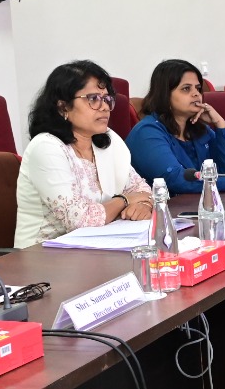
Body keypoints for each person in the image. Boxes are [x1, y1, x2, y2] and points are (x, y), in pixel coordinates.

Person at [15, 59, 152, 248]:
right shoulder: (46, 148)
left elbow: (144, 191)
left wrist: (143, 207)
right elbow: (80, 220)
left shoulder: (108, 142)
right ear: (63, 106)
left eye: (107, 99)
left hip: (97, 249)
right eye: (93, 99)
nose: (104, 107)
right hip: (43, 258)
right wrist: (125, 201)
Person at [129, 59, 225, 196]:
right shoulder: (147, 133)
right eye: (186, 89)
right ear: (165, 95)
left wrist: (220, 124)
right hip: (163, 214)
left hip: (200, 207)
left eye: (198, 89)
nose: (196, 94)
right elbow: (175, 180)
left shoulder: (198, 129)